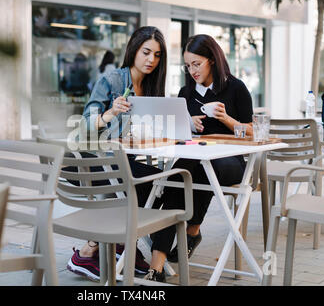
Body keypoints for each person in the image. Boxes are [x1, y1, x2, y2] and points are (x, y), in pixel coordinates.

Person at [145, 34, 254, 282]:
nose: (192, 70)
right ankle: (157, 265)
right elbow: (178, 132)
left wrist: (226, 119)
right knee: (181, 175)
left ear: (212, 60)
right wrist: (189, 124)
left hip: (231, 161)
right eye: (187, 65)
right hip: (197, 161)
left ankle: (192, 231)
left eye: (196, 64)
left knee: (191, 171)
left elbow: (251, 132)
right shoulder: (186, 92)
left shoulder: (235, 88)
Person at [67, 26, 168, 282]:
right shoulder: (112, 80)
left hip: (122, 162)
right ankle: (93, 248)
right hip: (92, 161)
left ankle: (116, 246)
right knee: (141, 184)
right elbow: (83, 127)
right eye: (146, 52)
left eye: (157, 55)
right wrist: (110, 114)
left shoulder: (151, 88)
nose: (151, 60)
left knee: (163, 182)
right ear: (134, 50)